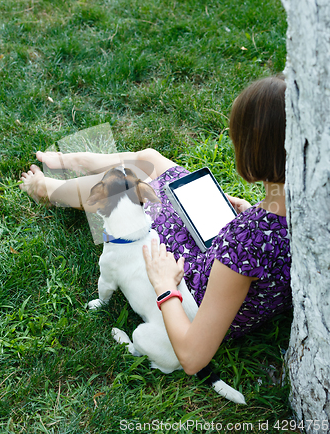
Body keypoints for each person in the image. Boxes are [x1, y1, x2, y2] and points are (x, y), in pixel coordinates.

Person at [20, 76, 291, 376]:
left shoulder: (247, 239)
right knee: (152, 159)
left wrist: (163, 286)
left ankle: (48, 187)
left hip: (194, 291)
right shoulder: (302, 208)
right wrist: (251, 211)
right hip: (219, 251)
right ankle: (73, 160)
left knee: (123, 185)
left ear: (253, 150)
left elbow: (192, 356)